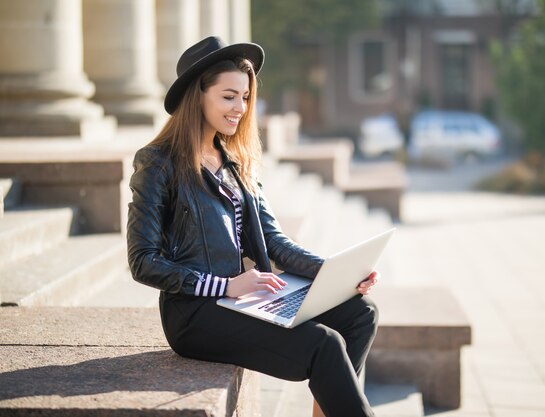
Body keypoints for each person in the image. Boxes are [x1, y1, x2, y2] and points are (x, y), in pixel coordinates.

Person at [126, 36, 380, 417]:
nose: (241, 109)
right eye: (229, 96)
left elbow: (274, 242)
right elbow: (142, 260)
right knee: (323, 344)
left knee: (361, 313)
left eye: (245, 98)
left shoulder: (235, 163)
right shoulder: (157, 163)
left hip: (242, 300)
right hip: (195, 314)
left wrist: (333, 274)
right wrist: (225, 286)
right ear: (198, 97)